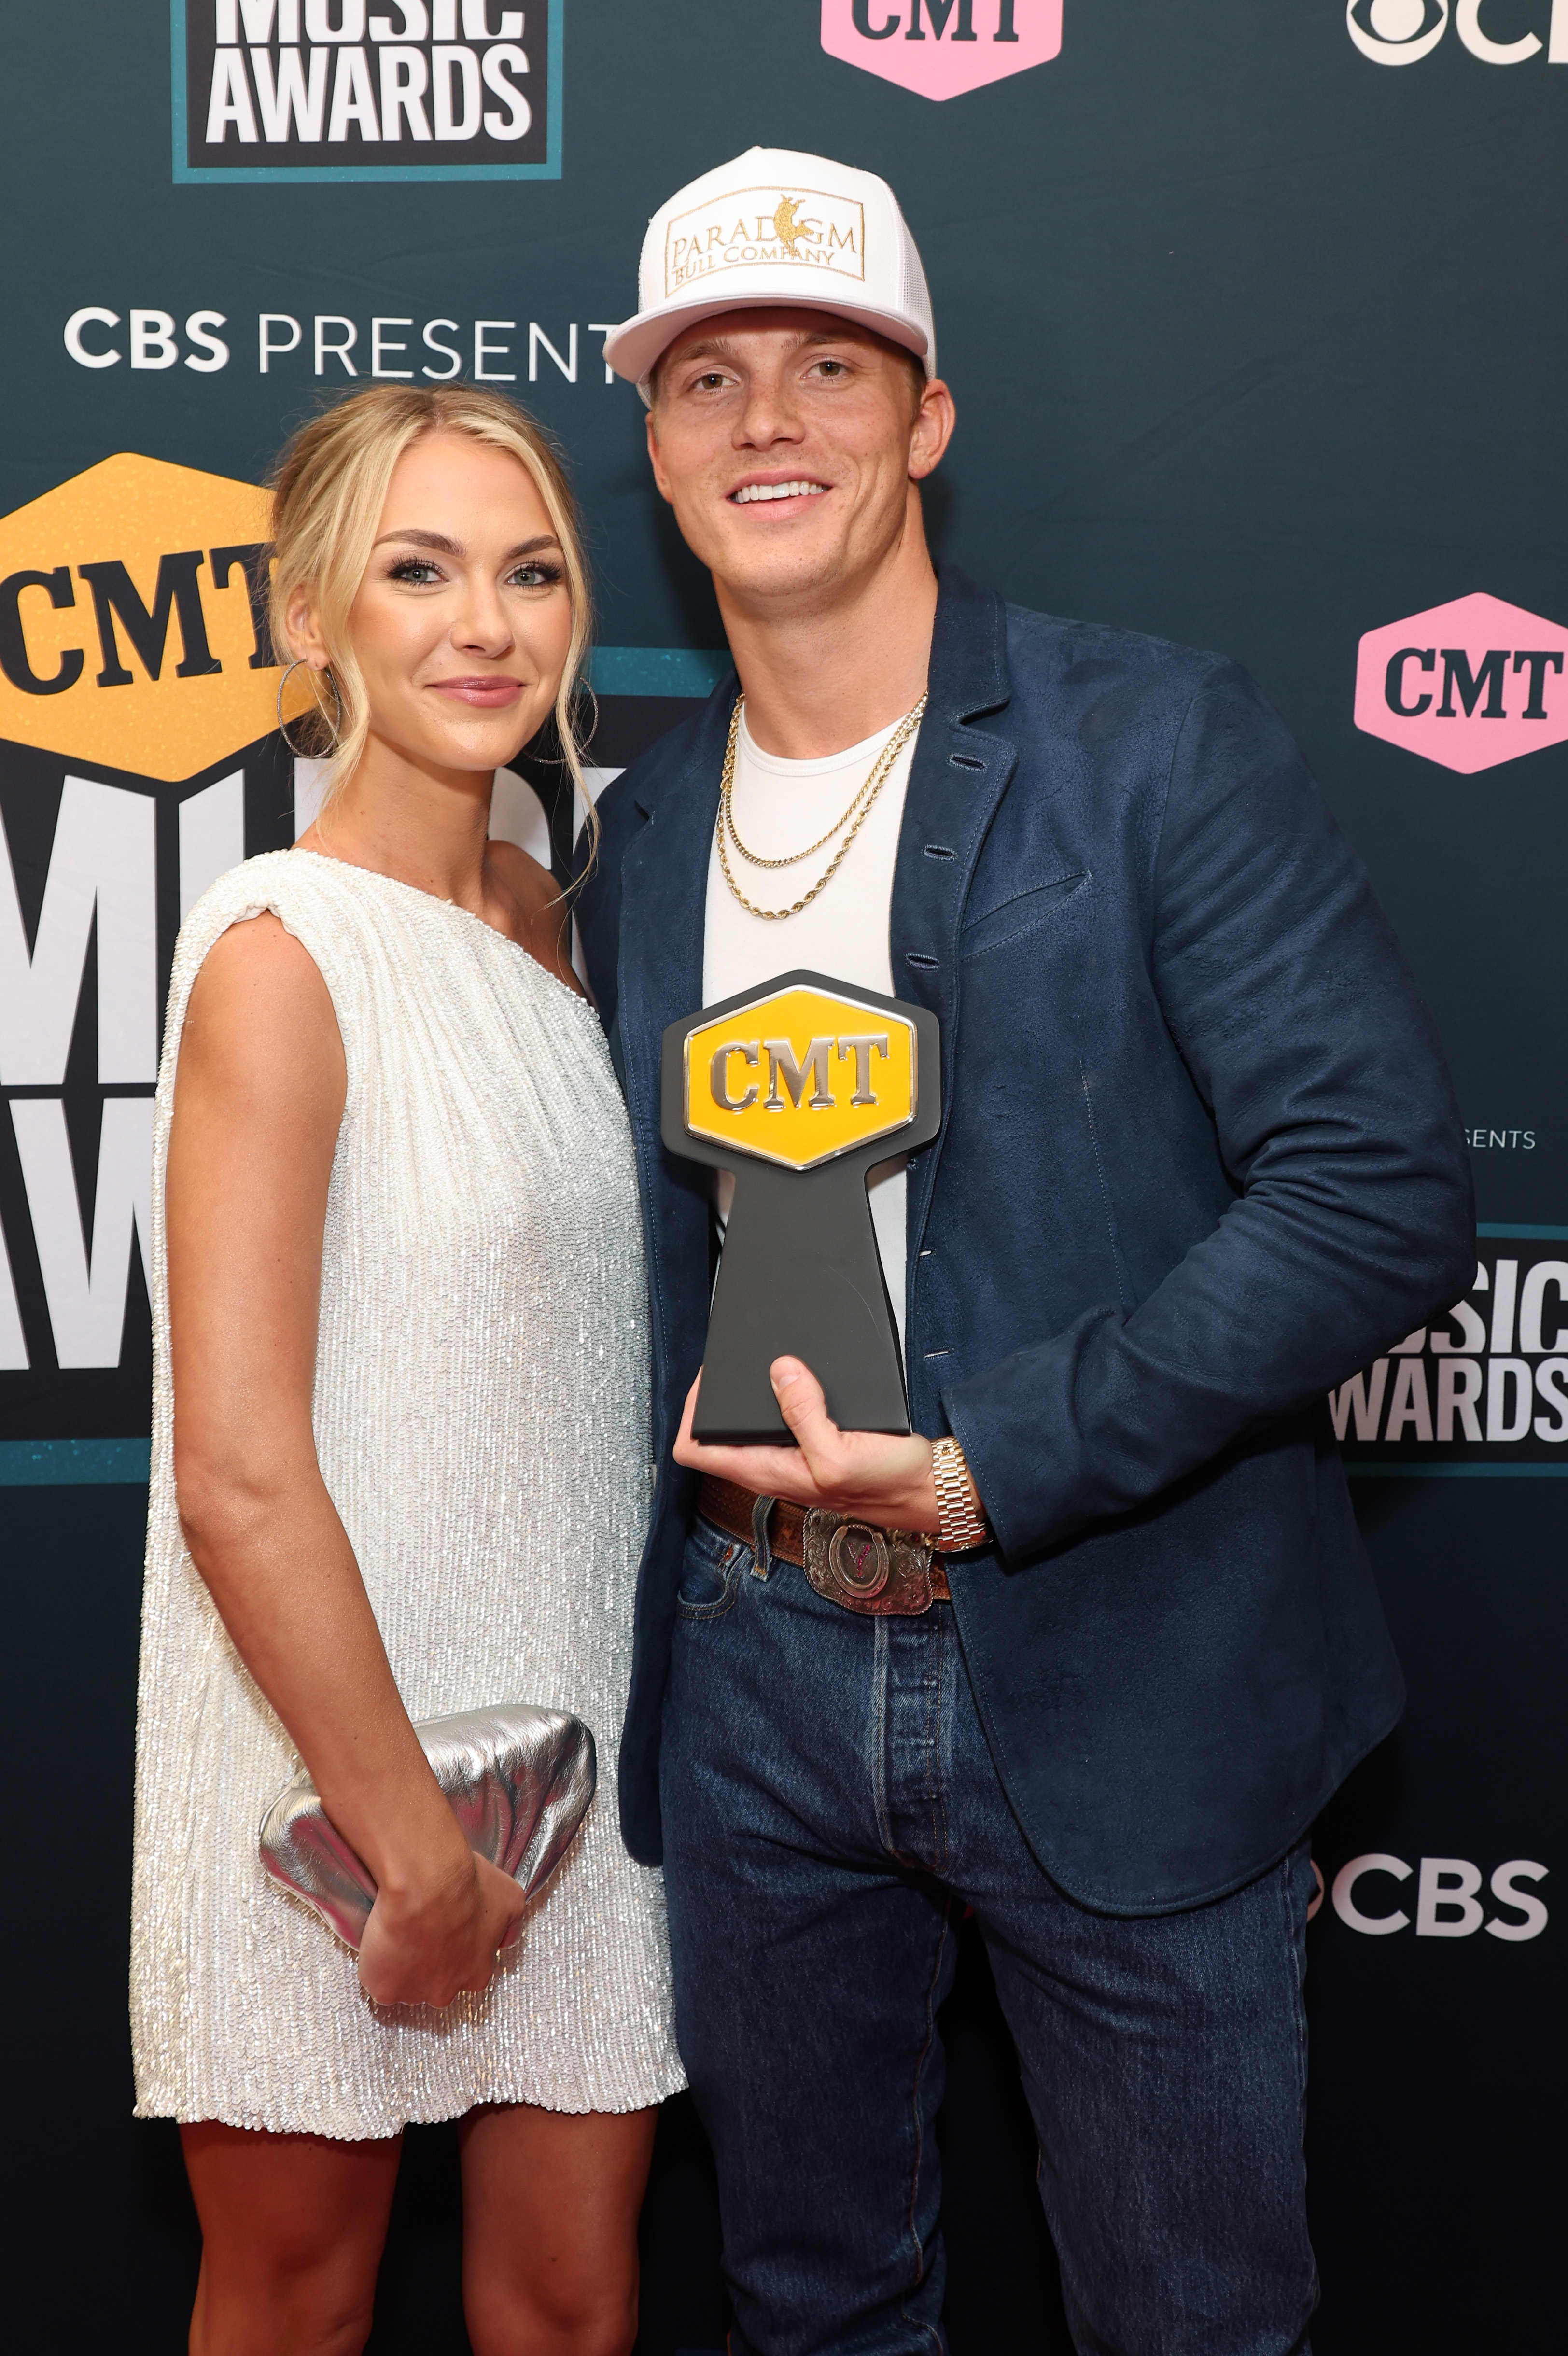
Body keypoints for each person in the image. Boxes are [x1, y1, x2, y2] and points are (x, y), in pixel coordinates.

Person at [575, 149, 1475, 2355]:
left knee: (1188, 2317)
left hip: (1112, 1652)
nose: (766, 419)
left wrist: (987, 1462)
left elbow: (1376, 1191)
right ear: (658, 442)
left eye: (826, 364)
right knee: (809, 2301)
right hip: (752, 1666)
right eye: (708, 377)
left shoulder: (1146, 737)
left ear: (927, 419)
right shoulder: (639, 824)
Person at [130, 383, 684, 2356]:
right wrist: (411, 1852)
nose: (488, 624)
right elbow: (238, 1474)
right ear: (308, 618)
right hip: (320, 1774)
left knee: (571, 2306)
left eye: (531, 571)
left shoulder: (547, 924)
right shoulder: (276, 952)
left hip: (578, 1762)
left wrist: (509, 1847)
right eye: (419, 570)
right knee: (293, 2302)